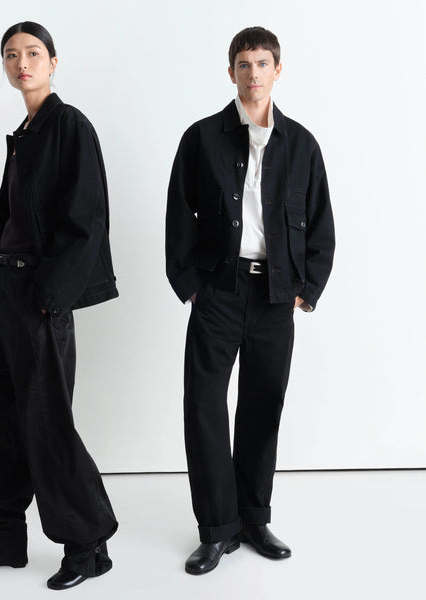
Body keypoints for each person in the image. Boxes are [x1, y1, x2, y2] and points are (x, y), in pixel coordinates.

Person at [166, 26, 335, 575]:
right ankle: (217, 529)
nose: (254, 73)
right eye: (244, 64)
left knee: (264, 406)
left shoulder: (302, 144)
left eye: (263, 63)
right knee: (204, 407)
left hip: (275, 295)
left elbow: (321, 222)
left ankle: (254, 518)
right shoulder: (201, 138)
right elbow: (179, 214)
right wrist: (190, 284)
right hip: (218, 289)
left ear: (277, 70)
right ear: (231, 72)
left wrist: (308, 288)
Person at [0, 22, 119, 590]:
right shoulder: (24, 132)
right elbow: (8, 217)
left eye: (33, 53)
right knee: (2, 420)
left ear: (53, 62)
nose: (21, 63)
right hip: (4, 291)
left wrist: (49, 297)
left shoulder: (69, 126)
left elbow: (87, 219)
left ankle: (88, 545)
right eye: (10, 55)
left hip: (37, 297)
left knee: (46, 424)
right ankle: (2, 537)